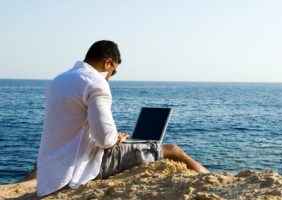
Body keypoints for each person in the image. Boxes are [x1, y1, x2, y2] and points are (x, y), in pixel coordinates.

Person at [37, 40, 209, 197]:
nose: (110, 76)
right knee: (173, 150)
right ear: (108, 63)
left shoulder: (57, 81)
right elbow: (104, 140)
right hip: (77, 171)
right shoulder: (96, 83)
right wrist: (116, 137)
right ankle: (210, 179)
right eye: (114, 71)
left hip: (49, 176)